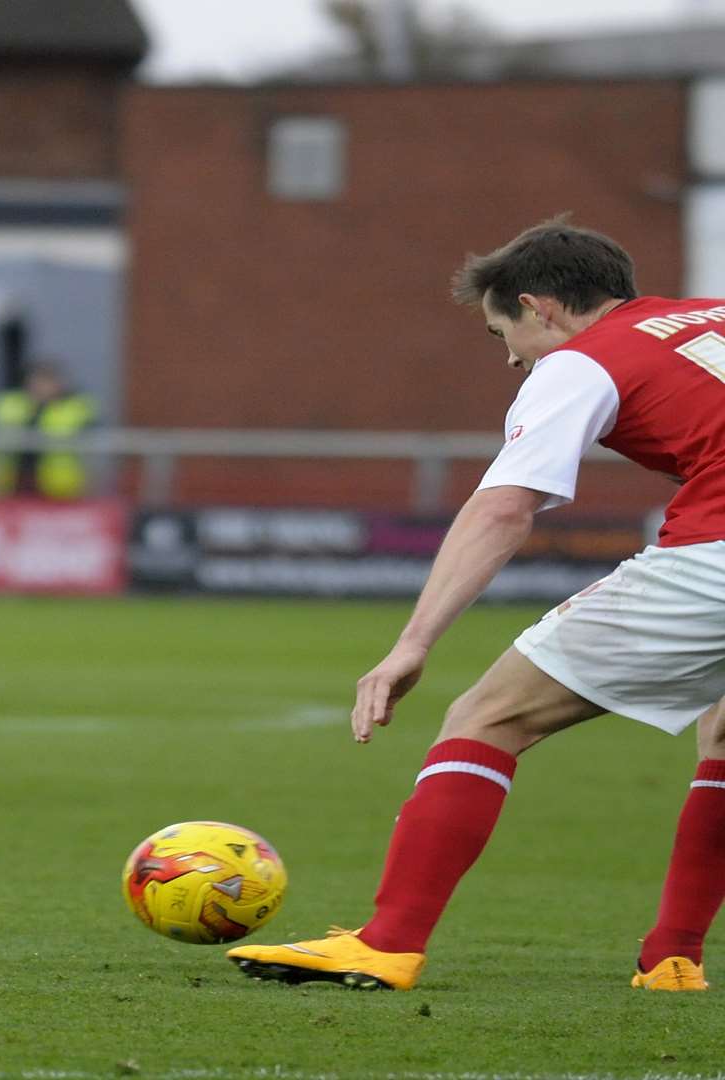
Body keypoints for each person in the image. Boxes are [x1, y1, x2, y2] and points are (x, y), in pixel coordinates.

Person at [227, 218, 725, 992]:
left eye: (504, 332)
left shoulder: (581, 361)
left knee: (487, 717)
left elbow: (503, 507)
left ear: (541, 308)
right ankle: (672, 957)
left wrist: (411, 644)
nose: (510, 356)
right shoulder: (708, 315)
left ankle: (386, 942)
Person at [0, 361, 96, 499]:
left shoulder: (76, 408)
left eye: (48, 381)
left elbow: (93, 435)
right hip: (10, 486)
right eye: (38, 381)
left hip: (59, 489)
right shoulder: (9, 404)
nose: (42, 387)